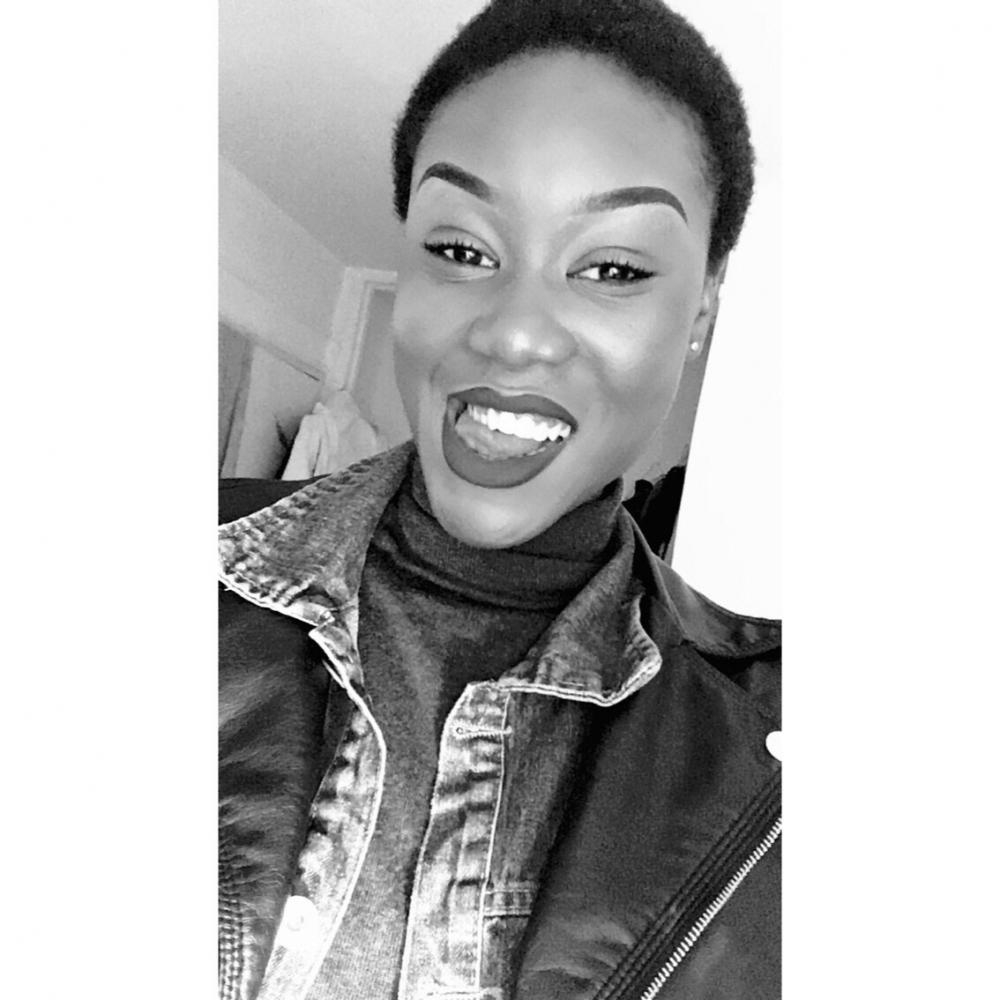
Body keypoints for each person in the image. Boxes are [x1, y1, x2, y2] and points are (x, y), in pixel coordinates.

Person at [219, 1, 781, 998]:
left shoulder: (783, 748)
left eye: (612, 268)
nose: (515, 333)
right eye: (462, 250)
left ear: (700, 305)